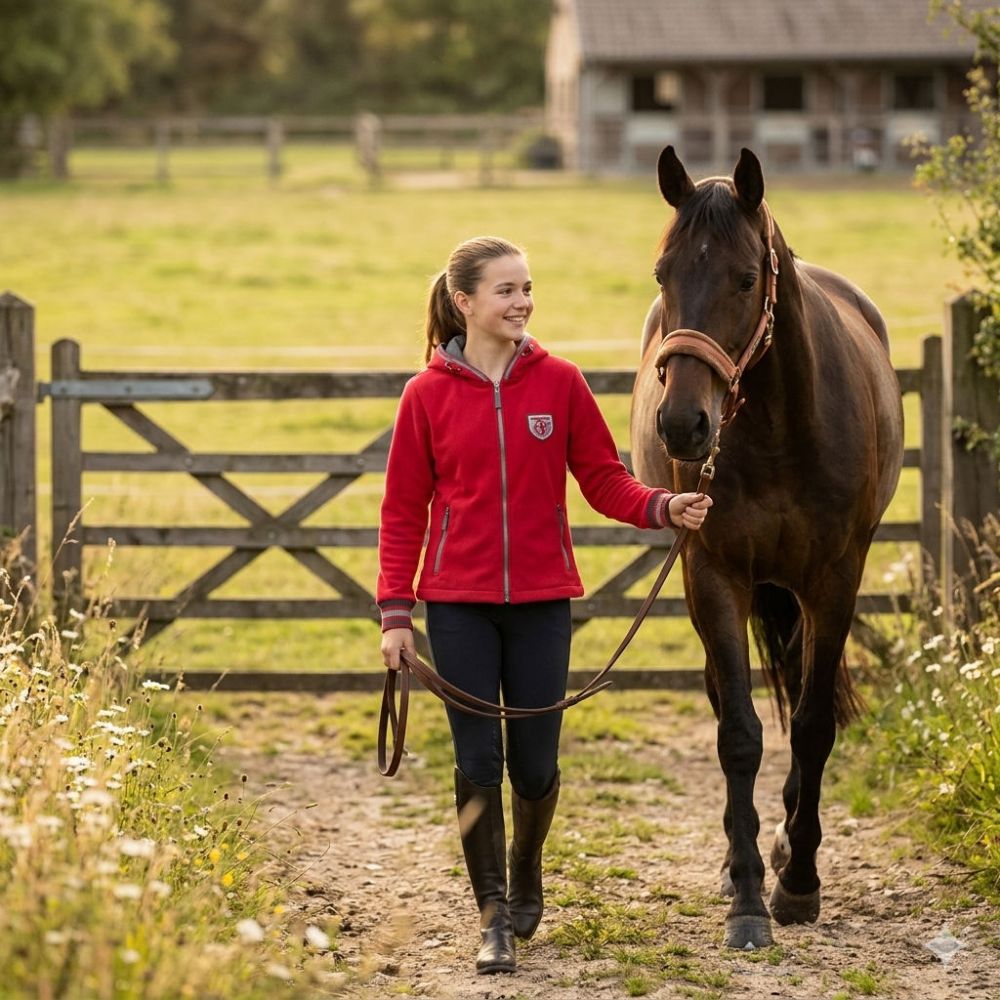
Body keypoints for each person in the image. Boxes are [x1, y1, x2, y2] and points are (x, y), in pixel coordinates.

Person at [376, 236, 712, 975]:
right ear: (464, 302)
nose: (522, 302)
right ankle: (492, 915)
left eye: (527, 288)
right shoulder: (425, 395)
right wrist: (396, 615)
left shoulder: (560, 382)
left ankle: (526, 865)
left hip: (541, 603)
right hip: (457, 606)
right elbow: (402, 511)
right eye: (506, 290)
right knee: (477, 759)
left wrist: (662, 505)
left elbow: (602, 478)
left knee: (534, 765)